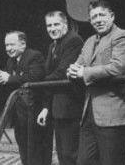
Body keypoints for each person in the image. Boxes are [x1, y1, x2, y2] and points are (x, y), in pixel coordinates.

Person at [67, 1, 125, 165]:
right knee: (83, 161)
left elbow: (119, 67)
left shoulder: (121, 35)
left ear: (112, 16)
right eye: (93, 17)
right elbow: (79, 64)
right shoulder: (89, 42)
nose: (98, 20)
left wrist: (84, 72)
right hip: (89, 114)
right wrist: (72, 71)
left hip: (113, 115)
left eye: (102, 15)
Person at [0, 31, 53, 165]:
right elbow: (10, 81)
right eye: (6, 45)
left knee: (36, 150)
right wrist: (0, 79)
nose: (8, 48)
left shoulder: (34, 56)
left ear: (23, 44)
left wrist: (9, 78)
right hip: (19, 114)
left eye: (11, 44)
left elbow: (34, 77)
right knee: (23, 148)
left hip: (34, 111)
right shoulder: (11, 61)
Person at [37, 11, 84, 165]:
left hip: (70, 107)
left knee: (71, 155)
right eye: (49, 25)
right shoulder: (53, 45)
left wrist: (38, 82)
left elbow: (62, 72)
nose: (52, 28)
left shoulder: (73, 40)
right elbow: (49, 73)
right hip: (58, 108)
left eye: (56, 24)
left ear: (65, 24)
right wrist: (45, 107)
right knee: (62, 155)